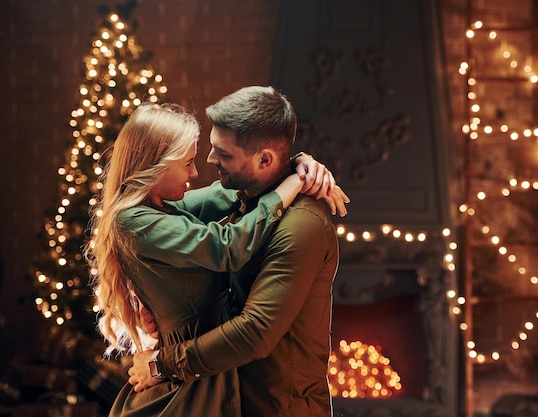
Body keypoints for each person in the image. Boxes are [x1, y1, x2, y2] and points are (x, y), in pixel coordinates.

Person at [86, 102, 346, 416]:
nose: (197, 171)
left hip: (204, 367)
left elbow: (232, 193)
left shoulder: (163, 206)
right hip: (186, 381)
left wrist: (296, 164)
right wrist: (292, 182)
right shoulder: (135, 220)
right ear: (154, 166)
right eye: (188, 163)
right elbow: (228, 246)